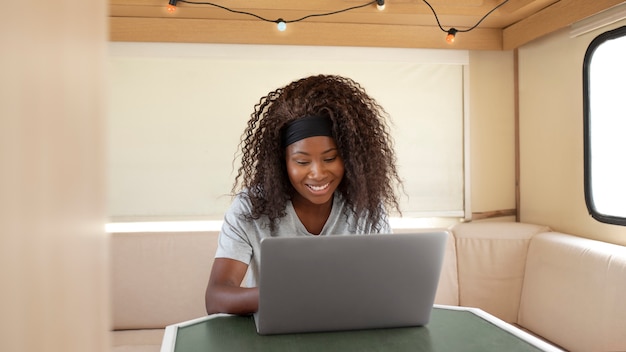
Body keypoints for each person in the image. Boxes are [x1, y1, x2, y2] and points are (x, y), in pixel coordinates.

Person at [205, 74, 402, 315]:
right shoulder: (251, 209)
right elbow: (216, 298)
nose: (318, 173)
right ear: (282, 163)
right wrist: (298, 293)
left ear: (349, 157)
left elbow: (387, 287)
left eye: (330, 158)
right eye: (302, 161)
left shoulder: (366, 207)